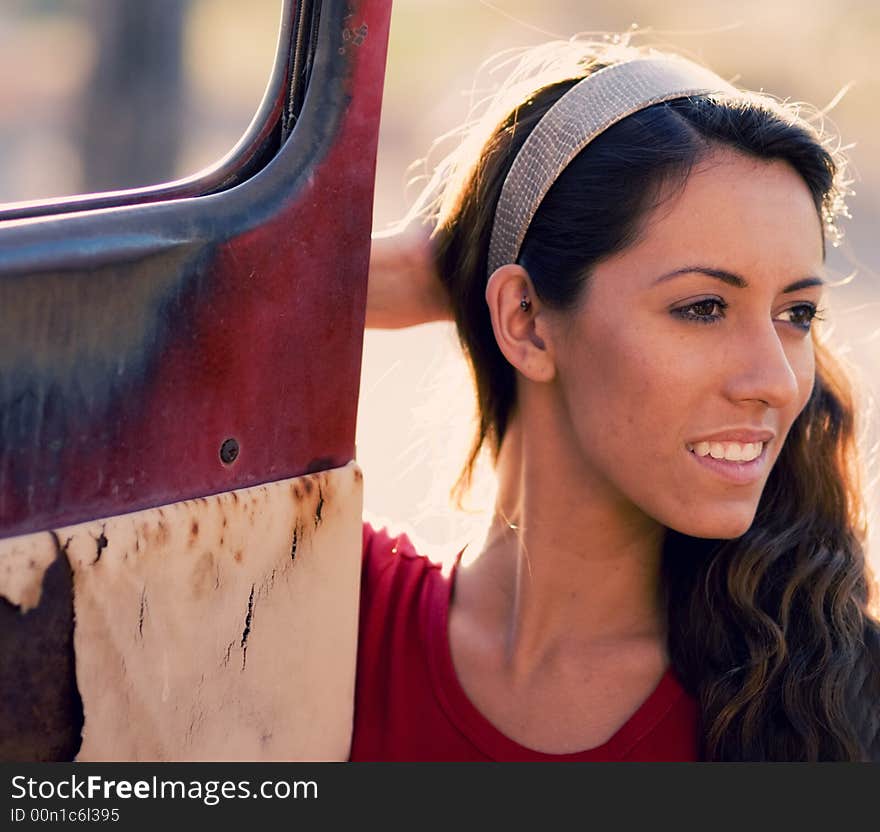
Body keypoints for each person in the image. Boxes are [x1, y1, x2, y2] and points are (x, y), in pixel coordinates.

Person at [350, 38, 880, 761]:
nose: (778, 381)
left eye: (796, 315)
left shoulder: (836, 701)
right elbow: (149, 331)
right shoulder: (332, 611)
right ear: (527, 321)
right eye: (703, 308)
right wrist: (389, 272)